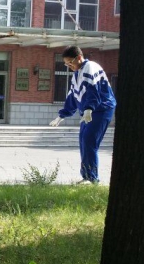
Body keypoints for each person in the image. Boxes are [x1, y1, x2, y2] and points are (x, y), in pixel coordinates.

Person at [48, 45, 116, 184]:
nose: (68, 66)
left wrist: (89, 109)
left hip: (102, 109)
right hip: (89, 111)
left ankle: (92, 178)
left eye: (70, 62)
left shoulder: (90, 67)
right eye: (66, 64)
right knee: (83, 141)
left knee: (89, 142)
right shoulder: (77, 73)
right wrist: (62, 115)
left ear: (79, 57)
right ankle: (86, 175)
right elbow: (73, 96)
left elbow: (93, 90)